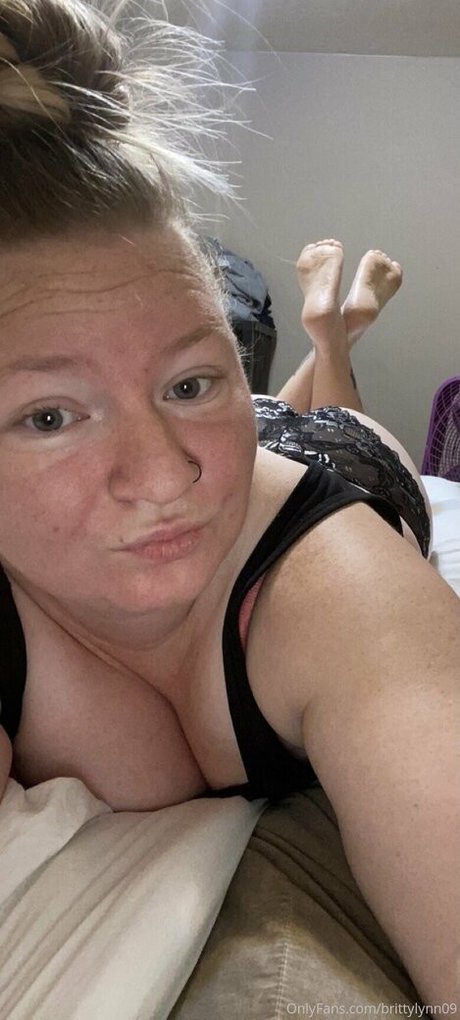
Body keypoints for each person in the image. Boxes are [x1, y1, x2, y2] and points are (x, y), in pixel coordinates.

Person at [0, 0, 458, 1009]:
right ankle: (318, 341)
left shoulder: (342, 591)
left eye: (191, 379)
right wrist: (183, 397)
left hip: (326, 474)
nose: (165, 476)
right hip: (249, 447)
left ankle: (332, 340)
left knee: (341, 423)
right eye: (49, 416)